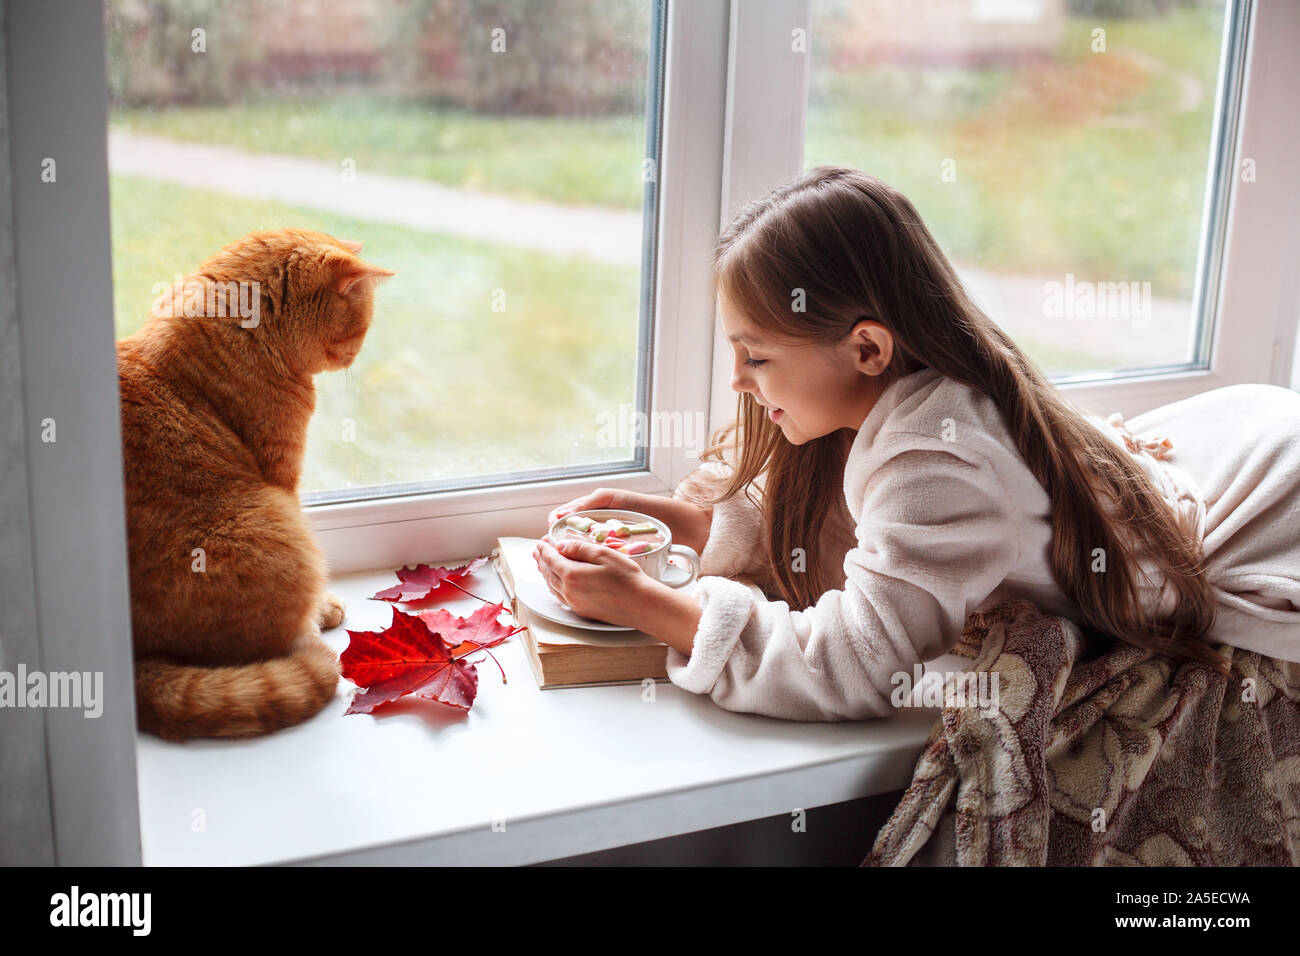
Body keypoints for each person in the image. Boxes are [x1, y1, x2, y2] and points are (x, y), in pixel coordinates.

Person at [533, 166, 1300, 721]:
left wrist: (652, 607)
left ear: (867, 349)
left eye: (757, 356)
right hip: (1226, 443)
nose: (735, 380)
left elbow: (851, 666)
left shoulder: (941, 460)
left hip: (1272, 500)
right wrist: (694, 524)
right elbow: (837, 520)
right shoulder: (888, 407)